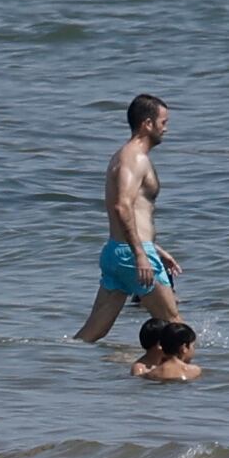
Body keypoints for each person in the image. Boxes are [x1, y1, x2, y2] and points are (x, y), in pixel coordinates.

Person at [74, 93, 175, 345]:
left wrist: (154, 247)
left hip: (119, 251)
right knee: (176, 327)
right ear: (147, 124)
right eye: (163, 122)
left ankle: (59, 364)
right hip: (131, 254)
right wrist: (141, 253)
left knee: (91, 334)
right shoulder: (134, 158)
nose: (167, 129)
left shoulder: (126, 156)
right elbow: (121, 206)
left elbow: (132, 209)